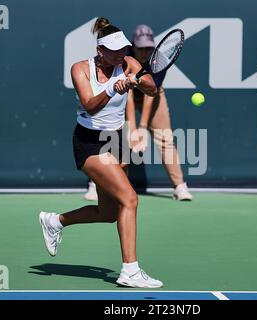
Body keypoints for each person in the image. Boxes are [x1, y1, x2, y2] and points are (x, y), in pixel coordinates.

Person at [39, 17, 163, 288]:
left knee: (110, 212)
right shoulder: (80, 69)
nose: (121, 54)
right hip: (90, 143)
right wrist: (111, 88)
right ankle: (130, 270)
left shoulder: (129, 63)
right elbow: (90, 104)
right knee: (130, 199)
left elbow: (153, 90)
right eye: (115, 50)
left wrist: (137, 81)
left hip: (116, 140)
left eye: (123, 49)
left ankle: (55, 221)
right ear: (100, 51)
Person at [85, 25, 193, 202]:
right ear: (133, 46)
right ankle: (95, 184)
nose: (145, 52)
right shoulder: (123, 56)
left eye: (149, 48)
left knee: (165, 137)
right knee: (111, 135)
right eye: (141, 48)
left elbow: (151, 93)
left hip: (151, 95)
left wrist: (141, 128)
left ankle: (179, 186)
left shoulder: (159, 60)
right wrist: (132, 128)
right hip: (123, 93)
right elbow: (125, 94)